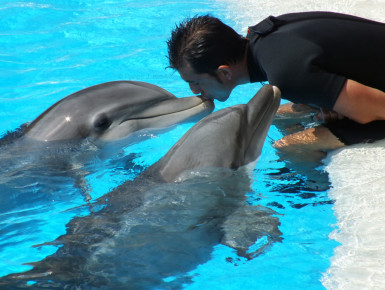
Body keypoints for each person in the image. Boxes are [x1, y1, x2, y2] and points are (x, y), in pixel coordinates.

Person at [166, 12, 385, 155]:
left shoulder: (287, 74)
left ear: (224, 72)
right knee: (277, 114)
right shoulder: (264, 38)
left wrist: (351, 112)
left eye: (195, 82)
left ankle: (309, 193)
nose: (194, 91)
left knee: (290, 147)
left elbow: (377, 109)